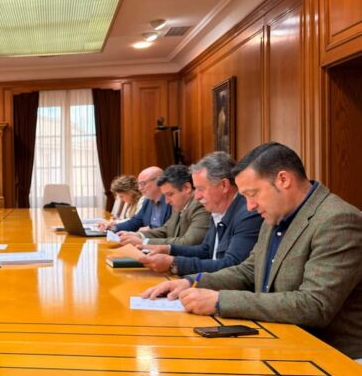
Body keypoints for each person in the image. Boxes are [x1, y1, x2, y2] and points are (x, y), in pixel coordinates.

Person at [141, 142, 362, 360]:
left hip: (334, 360)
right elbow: (248, 270)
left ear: (283, 180)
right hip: (280, 345)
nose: (250, 206)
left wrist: (220, 301)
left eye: (252, 194)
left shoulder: (337, 220)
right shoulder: (276, 215)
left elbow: (314, 305)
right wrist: (191, 282)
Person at [139, 152, 262, 275]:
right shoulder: (217, 209)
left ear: (224, 185)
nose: (197, 196)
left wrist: (174, 263)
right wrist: (168, 249)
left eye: (201, 189)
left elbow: (231, 265)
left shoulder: (248, 214)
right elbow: (205, 251)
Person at [118, 165, 209, 247]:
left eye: (170, 194)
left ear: (186, 188)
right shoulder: (179, 204)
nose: (167, 201)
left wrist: (144, 242)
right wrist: (138, 235)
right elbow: (166, 230)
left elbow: (188, 242)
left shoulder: (200, 205)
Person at [99, 166, 171, 232]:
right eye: (139, 184)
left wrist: (143, 234)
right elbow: (135, 222)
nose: (139, 188)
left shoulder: (171, 201)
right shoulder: (147, 201)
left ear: (158, 181)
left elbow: (168, 232)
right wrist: (112, 227)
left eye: (143, 183)